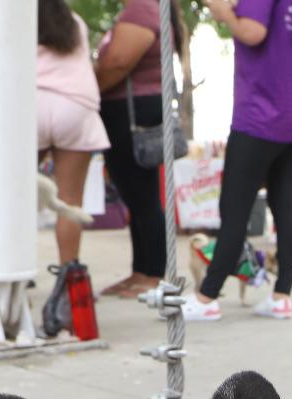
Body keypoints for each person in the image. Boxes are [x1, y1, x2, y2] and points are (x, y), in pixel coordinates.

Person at [185, 0, 292, 322]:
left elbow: (253, 32)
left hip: (263, 114)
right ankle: (282, 296)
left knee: (235, 207)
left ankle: (207, 297)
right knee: (285, 204)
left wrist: (223, 13)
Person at [95, 0, 184, 298]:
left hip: (132, 112)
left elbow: (118, 62)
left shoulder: (142, 9)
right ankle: (141, 271)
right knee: (136, 197)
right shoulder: (145, 9)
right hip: (129, 109)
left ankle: (154, 274)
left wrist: (89, 88)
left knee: (143, 197)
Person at [36, 0, 109, 270]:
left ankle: (13, 275)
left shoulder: (16, 19)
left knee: (15, 198)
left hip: (30, 104)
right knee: (70, 201)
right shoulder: (74, 22)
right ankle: (69, 278)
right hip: (75, 106)